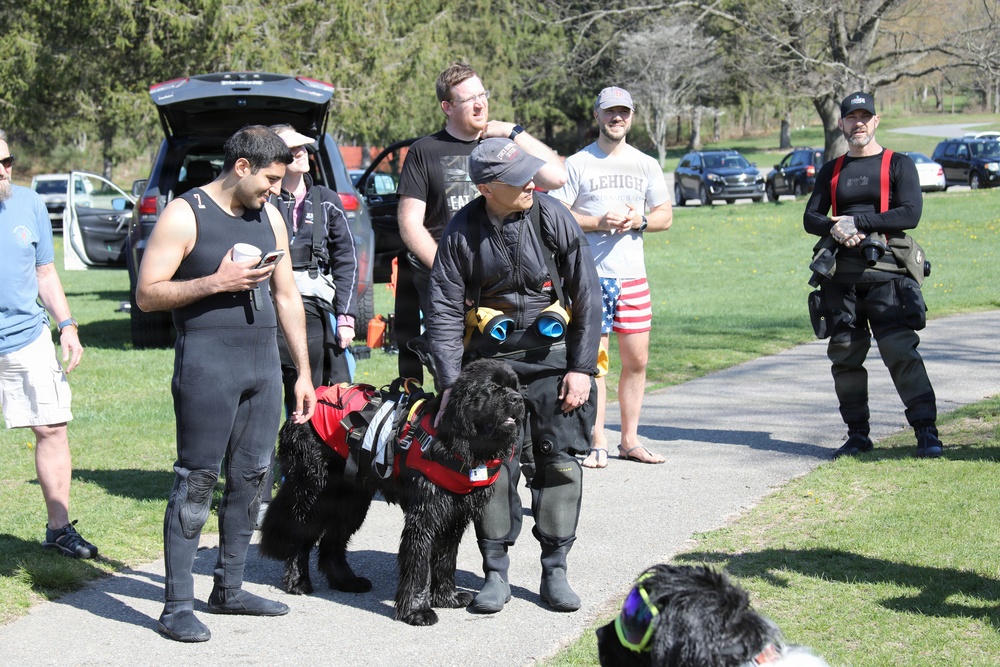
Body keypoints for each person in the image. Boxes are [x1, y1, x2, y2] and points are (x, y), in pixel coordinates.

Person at [136, 125, 316, 642]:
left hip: (262, 368)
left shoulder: (271, 216)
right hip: (207, 367)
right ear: (242, 167)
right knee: (196, 480)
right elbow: (148, 294)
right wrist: (217, 282)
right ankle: (175, 606)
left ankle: (229, 588)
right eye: (270, 179)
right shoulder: (184, 213)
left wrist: (301, 372)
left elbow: (287, 297)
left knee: (254, 477)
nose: (276, 190)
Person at [427, 138, 602, 614]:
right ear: (485, 187)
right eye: (517, 177)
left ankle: (555, 571)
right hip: (489, 370)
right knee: (493, 470)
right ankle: (495, 573)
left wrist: (582, 369)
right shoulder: (461, 231)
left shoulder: (553, 216)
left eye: (531, 172)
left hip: (553, 361)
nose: (531, 182)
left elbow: (587, 295)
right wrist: (451, 386)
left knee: (559, 464)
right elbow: (442, 310)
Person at [395, 60, 567, 381]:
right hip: (452, 292)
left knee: (515, 378)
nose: (480, 103)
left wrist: (512, 132)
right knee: (460, 383)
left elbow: (557, 177)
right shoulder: (425, 151)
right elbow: (410, 224)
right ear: (447, 107)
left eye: (483, 94)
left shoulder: (503, 147)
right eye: (468, 99)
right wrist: (451, 276)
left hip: (507, 288)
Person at [803, 91, 942, 459]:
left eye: (865, 117)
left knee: (900, 352)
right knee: (845, 357)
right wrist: (835, 228)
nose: (858, 123)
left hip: (888, 277)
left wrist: (857, 221)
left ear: (876, 121)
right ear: (842, 123)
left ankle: (927, 433)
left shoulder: (899, 164)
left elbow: (909, 213)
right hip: (840, 280)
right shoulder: (831, 170)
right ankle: (858, 435)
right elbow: (810, 218)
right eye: (852, 117)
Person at [549, 87, 673, 468]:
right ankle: (598, 438)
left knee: (637, 361)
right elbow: (559, 214)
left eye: (623, 112)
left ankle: (630, 440)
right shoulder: (578, 163)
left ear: (632, 116)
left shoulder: (646, 164)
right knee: (594, 362)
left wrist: (641, 220)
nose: (616, 118)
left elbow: (665, 216)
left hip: (633, 278)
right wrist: (598, 222)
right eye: (609, 112)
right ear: (598, 116)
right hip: (592, 277)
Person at [0, 129, 96, 560]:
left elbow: (44, 272)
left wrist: (67, 324)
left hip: (27, 337)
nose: (4, 171)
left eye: (7, 161)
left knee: (53, 427)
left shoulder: (29, 203)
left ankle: (59, 530)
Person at [261, 124, 359, 523]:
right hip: (268, 312)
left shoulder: (326, 201)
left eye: (304, 147)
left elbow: (347, 260)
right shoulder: (262, 200)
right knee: (267, 404)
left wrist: (347, 317)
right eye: (292, 147)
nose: (301, 152)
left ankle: (310, 483)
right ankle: (258, 491)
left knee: (313, 404)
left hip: (317, 315)